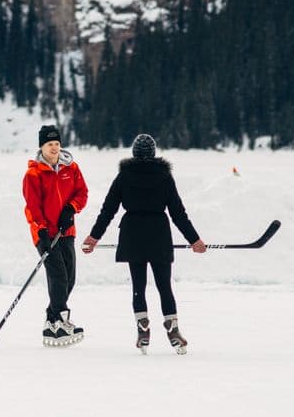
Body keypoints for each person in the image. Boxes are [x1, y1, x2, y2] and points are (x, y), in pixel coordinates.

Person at [81, 133, 207, 354]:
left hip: (133, 234)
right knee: (164, 286)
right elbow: (178, 213)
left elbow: (108, 211)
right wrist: (194, 240)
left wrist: (94, 237)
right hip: (158, 233)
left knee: (138, 287)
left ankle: (143, 327)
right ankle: (173, 328)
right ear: (154, 153)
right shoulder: (165, 177)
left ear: (134, 152)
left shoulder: (124, 176)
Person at [23, 123, 89, 347]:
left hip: (66, 231)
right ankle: (61, 319)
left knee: (69, 277)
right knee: (58, 275)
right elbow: (32, 206)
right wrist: (41, 229)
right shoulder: (33, 174)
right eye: (49, 144)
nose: (54, 148)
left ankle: (51, 321)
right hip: (44, 234)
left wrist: (71, 208)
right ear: (41, 147)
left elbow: (82, 192)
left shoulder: (71, 168)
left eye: (57, 143)